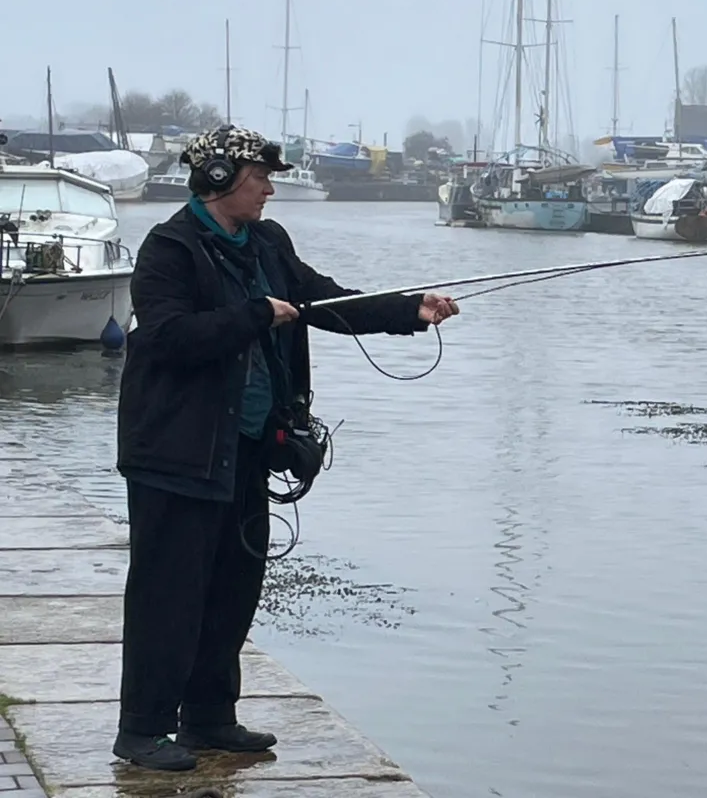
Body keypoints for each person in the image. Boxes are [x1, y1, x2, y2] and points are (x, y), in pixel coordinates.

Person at [112, 125, 460, 771]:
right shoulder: (170, 248)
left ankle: (210, 719)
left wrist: (411, 310)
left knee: (233, 587)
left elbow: (324, 298)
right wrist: (253, 314)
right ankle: (142, 731)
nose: (272, 189)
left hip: (245, 448)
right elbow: (166, 338)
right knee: (169, 594)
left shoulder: (268, 242)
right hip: (175, 452)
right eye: (260, 178)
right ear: (218, 179)